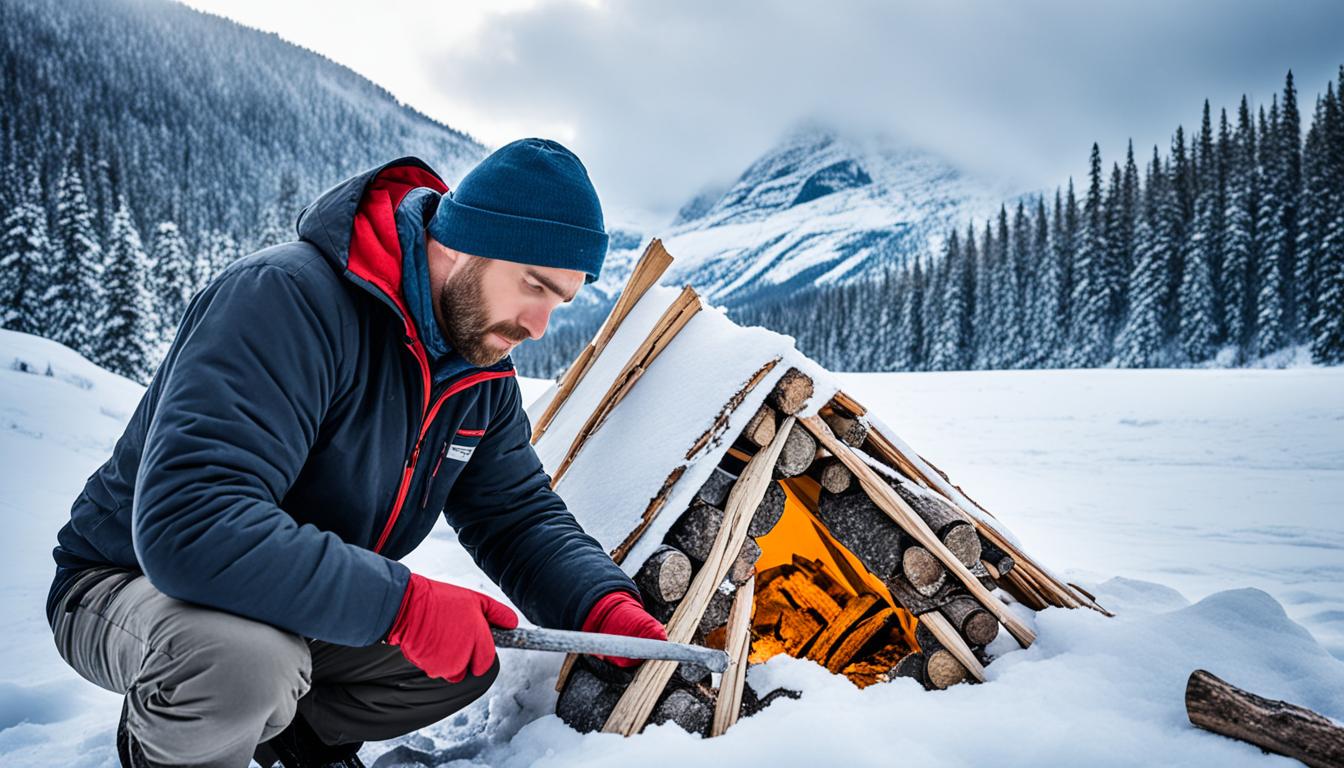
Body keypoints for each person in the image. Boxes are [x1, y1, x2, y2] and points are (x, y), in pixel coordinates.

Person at [45, 138, 668, 768]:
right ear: (459, 242)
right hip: (127, 581)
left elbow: (517, 514)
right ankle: (174, 744)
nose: (539, 326)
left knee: (467, 655)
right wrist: (401, 606)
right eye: (532, 286)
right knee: (248, 661)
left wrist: (602, 605)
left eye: (558, 301)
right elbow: (193, 524)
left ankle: (296, 743)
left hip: (282, 599)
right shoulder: (283, 300)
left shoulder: (477, 373)